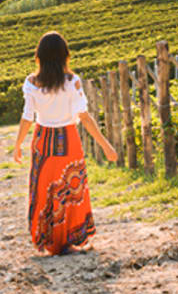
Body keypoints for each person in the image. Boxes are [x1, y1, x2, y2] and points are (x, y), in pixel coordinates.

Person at [11, 31, 117, 254]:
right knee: (71, 188)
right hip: (68, 139)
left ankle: (49, 241)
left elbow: (27, 117)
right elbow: (84, 118)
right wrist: (105, 145)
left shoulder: (31, 83)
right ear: (64, 56)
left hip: (42, 141)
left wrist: (18, 144)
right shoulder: (72, 82)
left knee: (44, 191)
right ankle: (71, 238)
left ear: (38, 56)